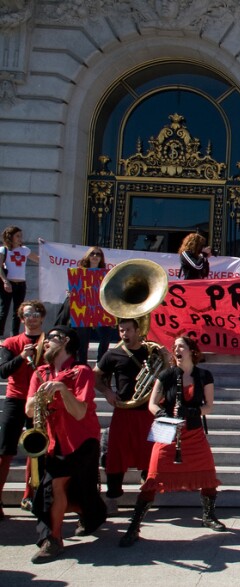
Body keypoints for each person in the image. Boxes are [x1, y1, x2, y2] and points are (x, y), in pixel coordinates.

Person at [119, 336, 225, 547]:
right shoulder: (166, 374)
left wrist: (191, 411)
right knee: (153, 477)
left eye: (181, 346)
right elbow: (151, 404)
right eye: (174, 346)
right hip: (166, 429)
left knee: (207, 474)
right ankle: (134, 526)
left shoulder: (204, 375)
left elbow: (209, 407)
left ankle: (209, 516)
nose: (176, 350)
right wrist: (162, 414)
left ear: (192, 351)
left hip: (193, 430)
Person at [27, 326, 106, 563]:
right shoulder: (39, 372)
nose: (45, 343)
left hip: (82, 440)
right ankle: (53, 539)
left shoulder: (81, 371)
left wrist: (62, 390)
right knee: (54, 486)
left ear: (65, 341)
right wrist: (40, 397)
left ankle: (92, 515)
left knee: (84, 488)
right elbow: (29, 410)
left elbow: (80, 412)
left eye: (50, 338)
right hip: (55, 441)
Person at [94, 318, 169, 512]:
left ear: (138, 330)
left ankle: (147, 494)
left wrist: (167, 360)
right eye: (121, 331)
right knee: (116, 454)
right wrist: (107, 392)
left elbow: (168, 376)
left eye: (128, 330)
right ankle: (112, 497)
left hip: (148, 411)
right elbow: (95, 376)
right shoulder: (113, 353)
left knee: (149, 453)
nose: (124, 334)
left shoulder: (151, 351)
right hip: (124, 410)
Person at [0, 300, 46, 519]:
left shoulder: (49, 342)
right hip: (16, 399)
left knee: (36, 450)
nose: (33, 317)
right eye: (28, 314)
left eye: (37, 313)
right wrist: (21, 356)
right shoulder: (11, 342)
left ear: (42, 317)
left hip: (39, 400)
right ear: (21, 318)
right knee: (5, 450)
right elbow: (3, 371)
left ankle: (30, 495)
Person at [73, 246, 115, 364]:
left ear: (101, 258)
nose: (95, 256)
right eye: (92, 254)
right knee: (83, 341)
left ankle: (100, 364)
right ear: (88, 256)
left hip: (100, 309)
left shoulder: (106, 275)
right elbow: (76, 290)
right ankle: (82, 365)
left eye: (98, 254)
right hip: (83, 309)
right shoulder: (79, 272)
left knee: (105, 337)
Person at [1, 225, 41, 337]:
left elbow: (38, 259)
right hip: (9, 283)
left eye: (21, 236)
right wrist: (5, 281)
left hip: (21, 284)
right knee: (3, 310)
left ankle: (14, 335)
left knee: (18, 311)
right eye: (17, 236)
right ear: (11, 237)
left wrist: (44, 247)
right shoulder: (3, 250)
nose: (20, 238)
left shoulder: (25, 250)